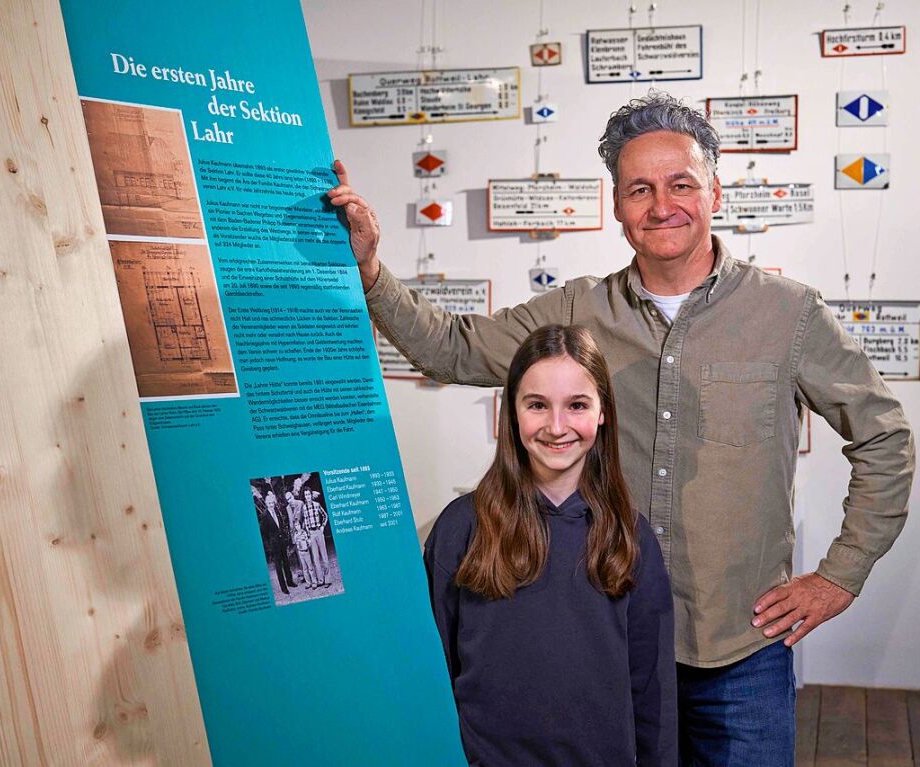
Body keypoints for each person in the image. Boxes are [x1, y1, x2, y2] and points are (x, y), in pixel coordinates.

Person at [328, 92, 915, 764]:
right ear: (616, 206)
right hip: (607, 644)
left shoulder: (789, 313)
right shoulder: (578, 308)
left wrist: (839, 574)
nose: (660, 205)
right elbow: (453, 349)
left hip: (737, 653)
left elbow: (884, 439)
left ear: (714, 192)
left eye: (680, 184)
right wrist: (370, 271)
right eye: (639, 188)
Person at [426, 324, 676, 765]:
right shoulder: (460, 527)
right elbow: (431, 672)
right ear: (512, 413)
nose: (557, 427)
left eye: (577, 405)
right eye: (537, 405)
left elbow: (651, 691)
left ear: (603, 412)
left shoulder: (630, 538)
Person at [260, 490, 296, 595]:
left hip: (282, 542)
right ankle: (284, 588)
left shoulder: (277, 512)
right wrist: (269, 547)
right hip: (274, 545)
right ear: (267, 504)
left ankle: (290, 582)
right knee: (278, 567)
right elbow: (263, 534)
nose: (271, 505)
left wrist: (285, 538)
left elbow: (281, 526)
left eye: (272, 503)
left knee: (286, 562)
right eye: (269, 503)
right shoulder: (264, 515)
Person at [301, 486, 332, 588]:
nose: (307, 496)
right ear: (304, 497)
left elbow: (325, 516)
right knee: (315, 558)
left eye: (308, 494)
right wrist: (307, 535)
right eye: (305, 495)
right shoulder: (304, 508)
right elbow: (305, 522)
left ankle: (327, 580)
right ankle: (320, 580)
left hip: (319, 531)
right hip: (311, 534)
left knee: (324, 556)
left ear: (311, 495)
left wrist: (323, 526)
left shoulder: (317, 505)